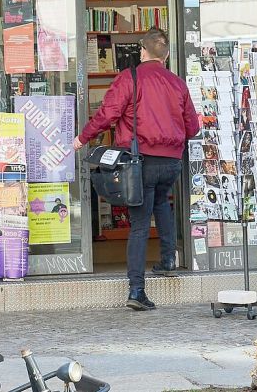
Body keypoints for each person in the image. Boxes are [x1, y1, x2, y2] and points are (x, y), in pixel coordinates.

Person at [73, 28, 200, 311]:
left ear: (143, 52)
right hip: (170, 162)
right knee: (163, 204)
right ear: (165, 56)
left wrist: (83, 138)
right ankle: (168, 260)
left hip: (139, 161)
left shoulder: (129, 77)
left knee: (140, 224)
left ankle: (137, 290)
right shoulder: (178, 83)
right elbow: (193, 127)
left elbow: (108, 114)